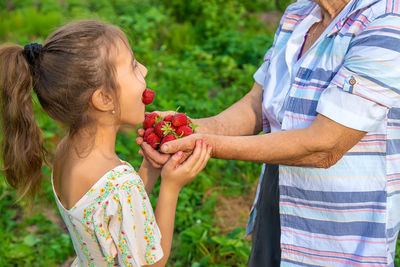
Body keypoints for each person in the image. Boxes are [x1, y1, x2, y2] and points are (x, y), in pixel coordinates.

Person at [137, 0, 400, 266]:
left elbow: (325, 145)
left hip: (339, 229)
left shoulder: (386, 21)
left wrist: (205, 144)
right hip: (277, 199)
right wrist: (192, 128)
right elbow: (259, 104)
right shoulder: (299, 14)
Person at [0, 20, 212, 266]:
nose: (143, 69)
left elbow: (112, 218)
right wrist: (171, 187)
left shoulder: (66, 151)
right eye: (133, 66)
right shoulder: (120, 186)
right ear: (104, 98)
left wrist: (149, 169)